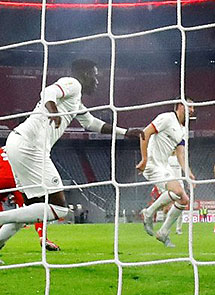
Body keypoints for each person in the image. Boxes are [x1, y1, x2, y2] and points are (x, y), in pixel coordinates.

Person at [0, 59, 142, 249]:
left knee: (30, 211)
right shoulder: (73, 84)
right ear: (84, 74)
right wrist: (53, 111)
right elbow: (48, 92)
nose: (97, 81)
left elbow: (91, 123)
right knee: (59, 209)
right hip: (30, 146)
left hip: (17, 142)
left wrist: (124, 132)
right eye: (95, 75)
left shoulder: (76, 102)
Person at [137, 98, 195, 247]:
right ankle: (149, 213)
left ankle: (163, 233)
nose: (193, 110)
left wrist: (187, 172)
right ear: (180, 106)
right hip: (152, 164)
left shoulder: (183, 129)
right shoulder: (167, 118)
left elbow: (181, 154)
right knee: (178, 191)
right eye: (190, 107)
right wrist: (144, 160)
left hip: (164, 166)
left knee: (183, 199)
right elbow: (144, 133)